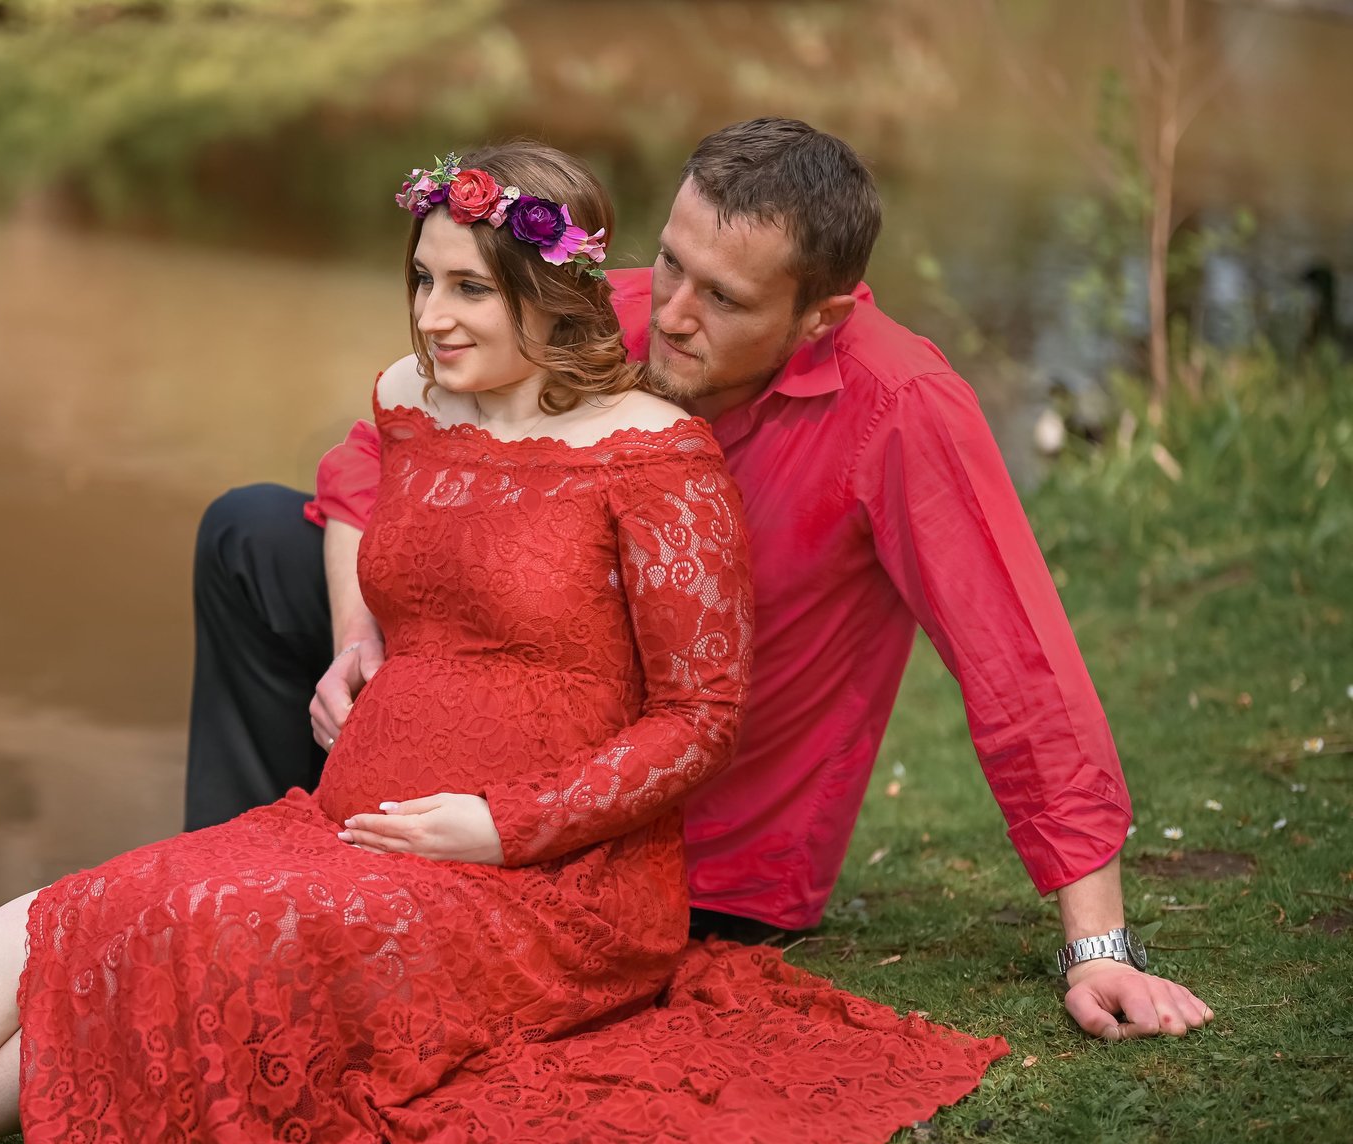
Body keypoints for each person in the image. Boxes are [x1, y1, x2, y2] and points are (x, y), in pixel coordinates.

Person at [0, 141, 1006, 1144]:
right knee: (99, 905)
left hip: (546, 885)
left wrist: (501, 826)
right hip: (354, 823)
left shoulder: (653, 456)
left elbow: (699, 720)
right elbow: (356, 499)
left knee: (187, 923)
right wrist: (354, 628)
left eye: (469, 290)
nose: (434, 317)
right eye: (422, 281)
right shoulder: (413, 401)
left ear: (549, 298)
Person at [186, 118, 1215, 1044]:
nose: (670, 314)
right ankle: (248, 861)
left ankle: (295, 908)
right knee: (255, 534)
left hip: (690, 835)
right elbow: (372, 459)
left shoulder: (902, 409)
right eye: (671, 261)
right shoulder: (610, 313)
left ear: (820, 316)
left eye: (722, 297)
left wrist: (1098, 947)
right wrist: (357, 636)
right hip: (491, 720)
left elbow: (1017, 663)